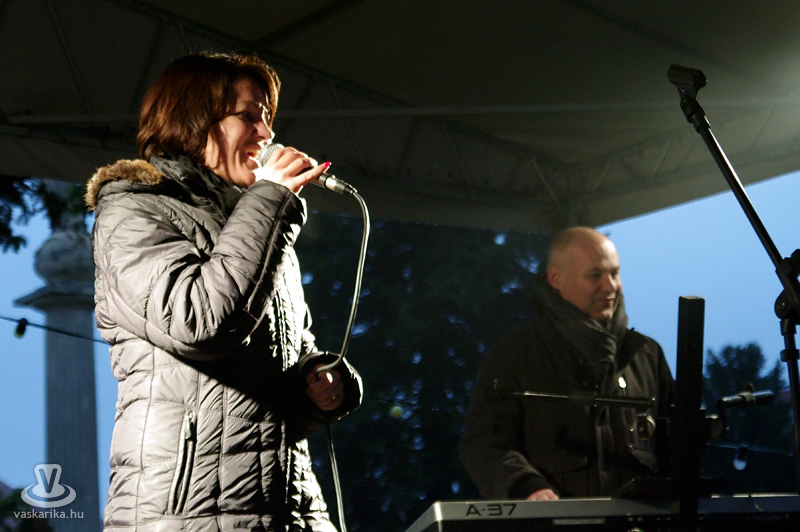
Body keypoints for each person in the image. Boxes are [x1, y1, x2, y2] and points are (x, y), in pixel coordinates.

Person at [84, 51, 362, 531]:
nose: (266, 133)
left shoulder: (259, 223)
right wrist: (272, 200)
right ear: (193, 121)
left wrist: (322, 379)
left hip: (289, 506)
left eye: (267, 118)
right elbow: (201, 322)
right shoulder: (133, 212)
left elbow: (288, 350)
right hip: (185, 512)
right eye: (248, 117)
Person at [459, 226, 674, 500]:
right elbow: (484, 442)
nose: (610, 286)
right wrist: (526, 487)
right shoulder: (513, 355)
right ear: (556, 278)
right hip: (550, 521)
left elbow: (679, 445)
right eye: (595, 275)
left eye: (615, 273)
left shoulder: (646, 355)